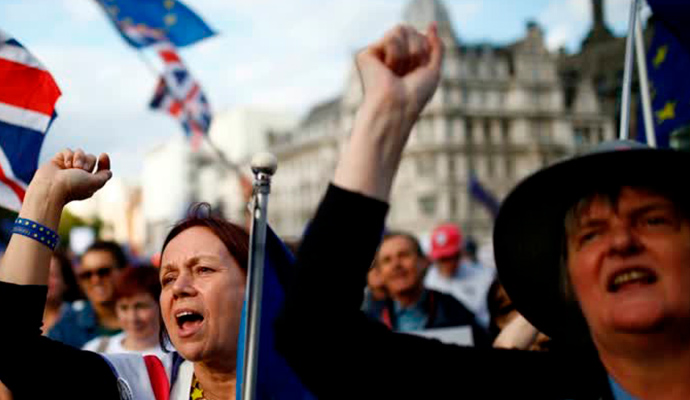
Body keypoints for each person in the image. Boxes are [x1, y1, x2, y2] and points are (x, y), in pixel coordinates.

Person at [277, 22, 690, 399]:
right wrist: (386, 117)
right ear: (568, 281)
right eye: (590, 234)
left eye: (653, 220)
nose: (620, 242)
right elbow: (316, 337)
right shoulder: (530, 389)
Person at [0, 149, 251, 399]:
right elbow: (10, 348)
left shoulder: (290, 378)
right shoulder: (142, 384)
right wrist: (45, 196)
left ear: (253, 288)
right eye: (167, 278)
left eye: (203, 269)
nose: (179, 287)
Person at [362, 231, 489, 347]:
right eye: (387, 260)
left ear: (423, 262)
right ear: (380, 273)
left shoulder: (453, 310)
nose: (396, 265)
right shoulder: (370, 318)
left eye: (404, 255)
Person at [48, 241, 128, 348]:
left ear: (125, 271)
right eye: (86, 274)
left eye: (103, 272)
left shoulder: (152, 321)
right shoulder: (64, 332)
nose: (95, 280)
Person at [83, 267, 169, 360]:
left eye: (140, 306)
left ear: (160, 305)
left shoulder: (178, 353)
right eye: (124, 308)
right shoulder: (95, 350)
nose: (132, 318)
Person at [425, 223, 495, 329]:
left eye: (449, 257)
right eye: (441, 259)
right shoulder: (427, 281)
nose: (446, 264)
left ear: (459, 253)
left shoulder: (484, 277)